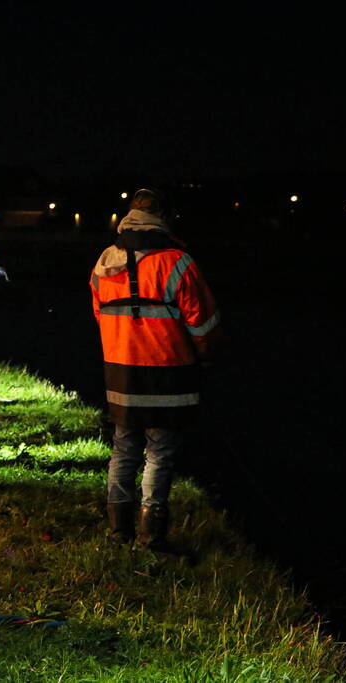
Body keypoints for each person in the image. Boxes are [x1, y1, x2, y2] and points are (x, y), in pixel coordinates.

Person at [90, 188, 220, 552]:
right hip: (168, 373)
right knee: (159, 452)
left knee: (123, 448)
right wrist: (206, 357)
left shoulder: (104, 261)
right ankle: (152, 535)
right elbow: (204, 325)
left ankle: (119, 531)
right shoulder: (178, 262)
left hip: (120, 372)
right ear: (164, 217)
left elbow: (99, 314)